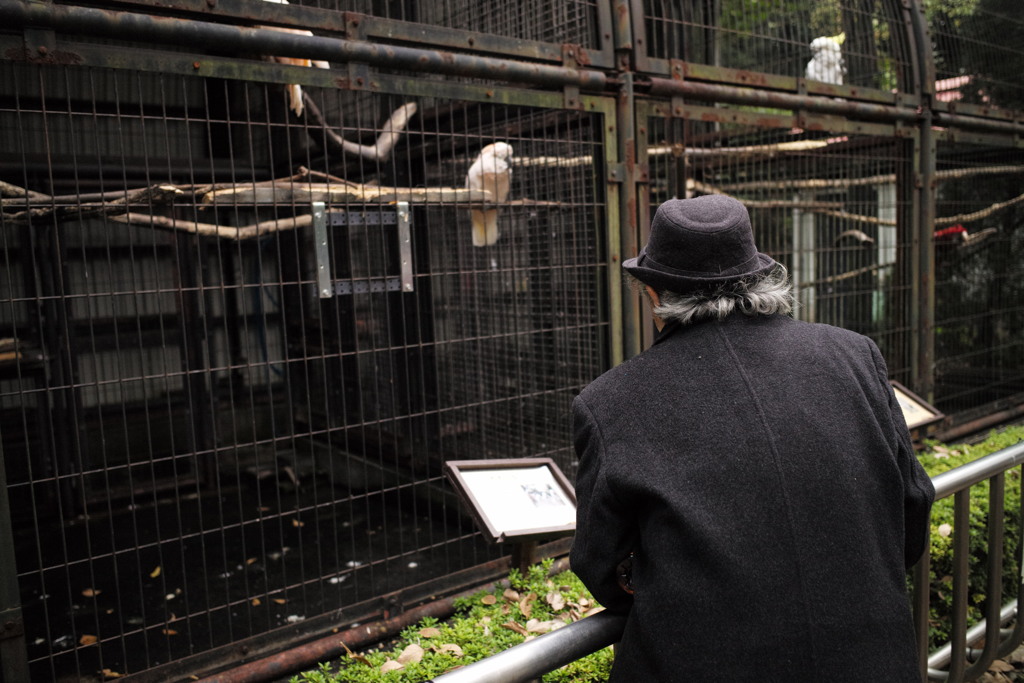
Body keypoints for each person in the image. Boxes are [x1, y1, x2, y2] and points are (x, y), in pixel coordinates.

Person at [570, 194, 935, 682]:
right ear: (761, 275)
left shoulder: (610, 403)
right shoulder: (854, 356)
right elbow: (912, 508)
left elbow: (599, 566)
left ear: (654, 294)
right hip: (874, 662)